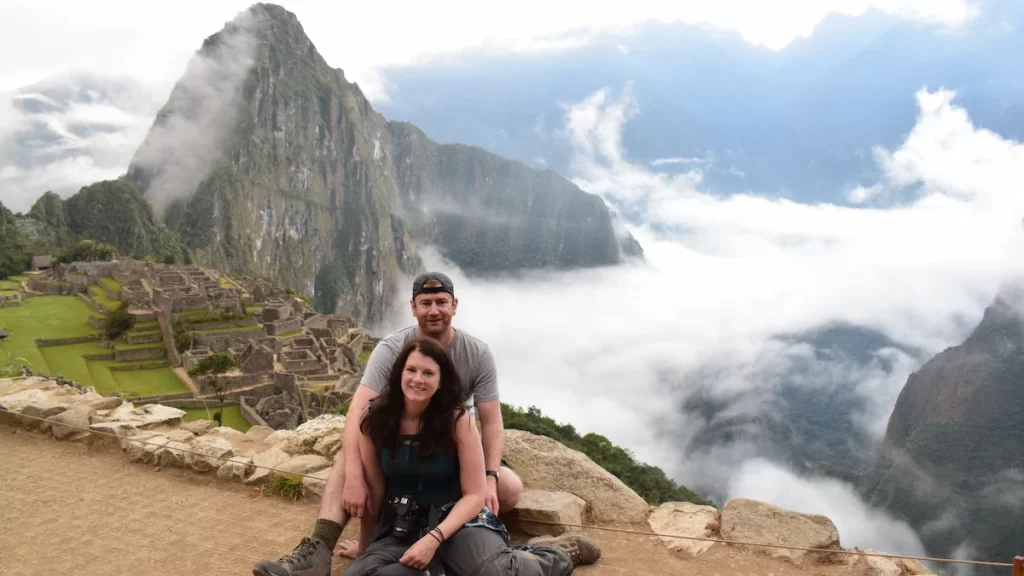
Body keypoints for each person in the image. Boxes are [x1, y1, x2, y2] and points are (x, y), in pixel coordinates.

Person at [253, 272, 524, 576]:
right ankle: (319, 548)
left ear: (454, 305)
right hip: (404, 447)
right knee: (350, 458)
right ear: (413, 307)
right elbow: (359, 413)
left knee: (509, 488)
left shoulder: (476, 353)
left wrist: (489, 477)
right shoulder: (392, 348)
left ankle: (469, 540)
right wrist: (355, 476)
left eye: (440, 302)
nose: (433, 310)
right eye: (426, 303)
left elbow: (490, 422)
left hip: (458, 451)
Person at [345, 336, 600, 576]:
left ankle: (556, 552)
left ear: (441, 380)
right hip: (403, 525)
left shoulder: (457, 421)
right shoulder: (375, 420)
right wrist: (365, 547)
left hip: (458, 521)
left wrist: (433, 539)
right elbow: (375, 491)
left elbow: (475, 495)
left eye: (428, 373)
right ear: (399, 372)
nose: (417, 379)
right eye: (411, 370)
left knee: (495, 572)